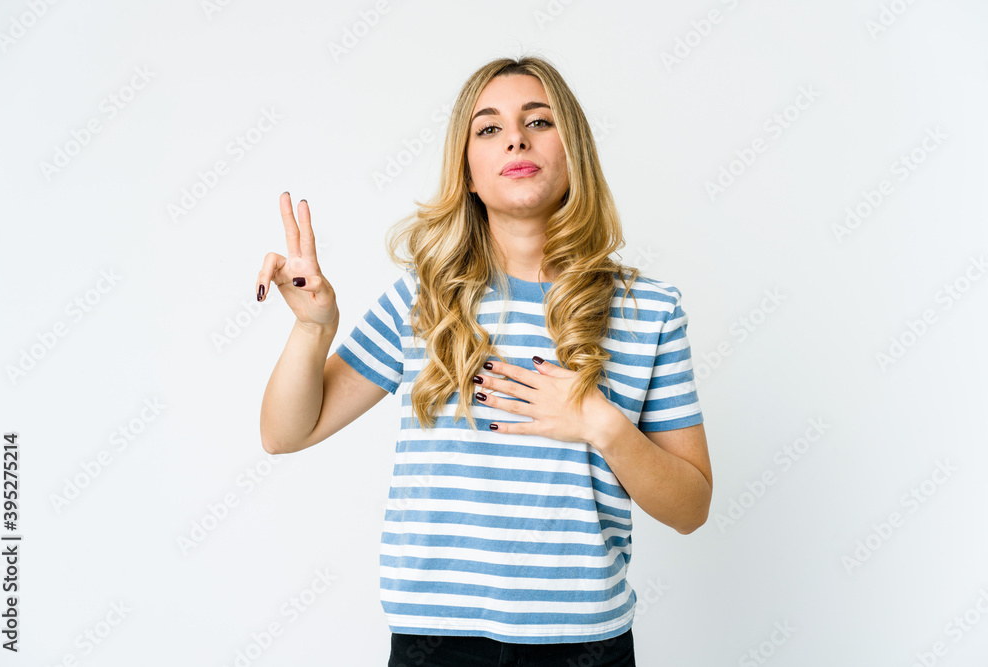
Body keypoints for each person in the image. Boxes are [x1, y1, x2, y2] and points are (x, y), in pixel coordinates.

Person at [256, 55, 712, 667]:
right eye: (489, 128)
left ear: (573, 150)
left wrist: (599, 423)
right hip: (436, 644)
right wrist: (315, 329)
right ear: (468, 172)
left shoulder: (647, 310)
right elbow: (284, 434)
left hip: (584, 645)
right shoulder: (424, 300)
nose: (516, 137)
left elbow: (691, 509)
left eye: (539, 121)